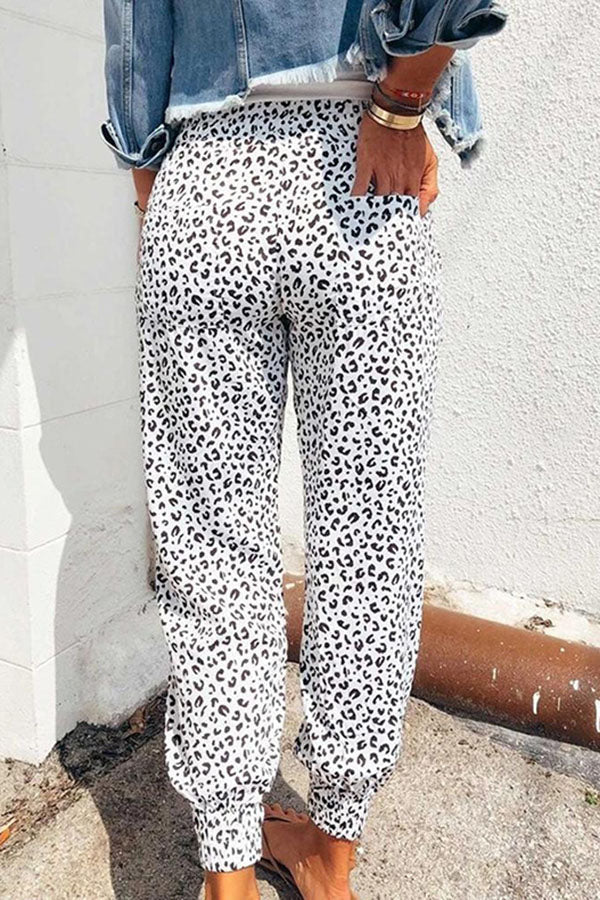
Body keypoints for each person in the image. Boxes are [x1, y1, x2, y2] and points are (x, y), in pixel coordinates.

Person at [101, 3, 507, 898]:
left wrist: (151, 186)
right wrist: (402, 103)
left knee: (212, 550)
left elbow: (134, 26)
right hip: (359, 150)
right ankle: (330, 856)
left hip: (206, 179)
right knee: (369, 541)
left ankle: (228, 874)